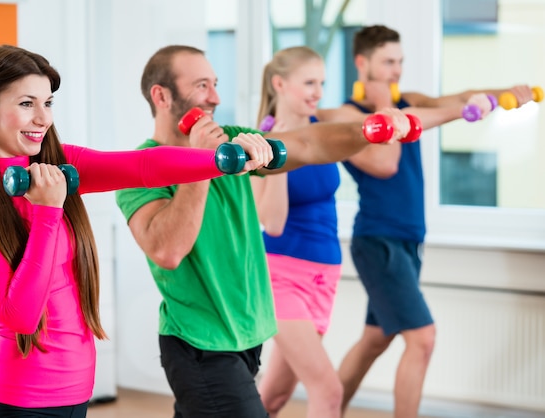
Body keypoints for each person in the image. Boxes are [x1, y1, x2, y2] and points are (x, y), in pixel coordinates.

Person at [0, 44, 263, 418]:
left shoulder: (59, 166)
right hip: (13, 402)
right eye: (27, 103)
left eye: (48, 103)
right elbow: (20, 315)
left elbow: (143, 166)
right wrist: (47, 211)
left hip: (75, 396)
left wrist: (223, 160)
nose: (43, 119)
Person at [114, 44, 413, 418]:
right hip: (198, 344)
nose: (215, 97)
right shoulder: (138, 170)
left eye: (216, 84)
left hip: (248, 336)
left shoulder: (234, 141)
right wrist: (200, 164)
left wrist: (369, 131)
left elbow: (309, 144)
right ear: (161, 95)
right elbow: (168, 251)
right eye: (201, 85)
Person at [315, 25, 533, 418]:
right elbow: (385, 163)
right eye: (387, 62)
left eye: (400, 62)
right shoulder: (347, 115)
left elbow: (462, 99)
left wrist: (506, 93)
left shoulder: (409, 101)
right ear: (362, 64)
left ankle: (327, 410)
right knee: (423, 339)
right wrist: (385, 107)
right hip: (377, 240)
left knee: (375, 339)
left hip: (409, 240)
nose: (396, 71)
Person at [250, 46, 345, 418]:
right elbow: (272, 222)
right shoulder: (259, 143)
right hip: (280, 278)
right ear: (280, 83)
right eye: (309, 82)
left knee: (272, 399)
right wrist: (280, 154)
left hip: (324, 276)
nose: (318, 91)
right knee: (328, 390)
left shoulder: (320, 131)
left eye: (321, 82)